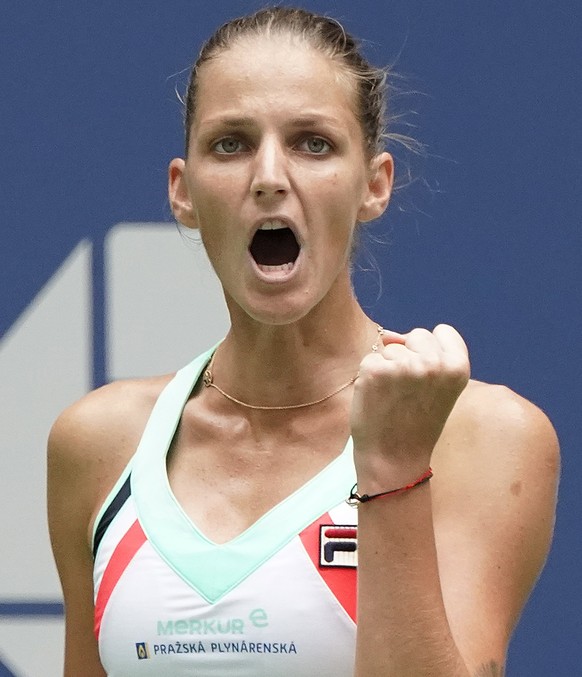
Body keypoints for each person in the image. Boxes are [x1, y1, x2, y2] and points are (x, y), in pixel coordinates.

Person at [47, 6, 559, 677]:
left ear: (374, 185)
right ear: (183, 193)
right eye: (230, 143)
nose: (268, 175)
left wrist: (395, 469)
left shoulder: (483, 436)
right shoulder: (95, 444)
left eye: (313, 143)